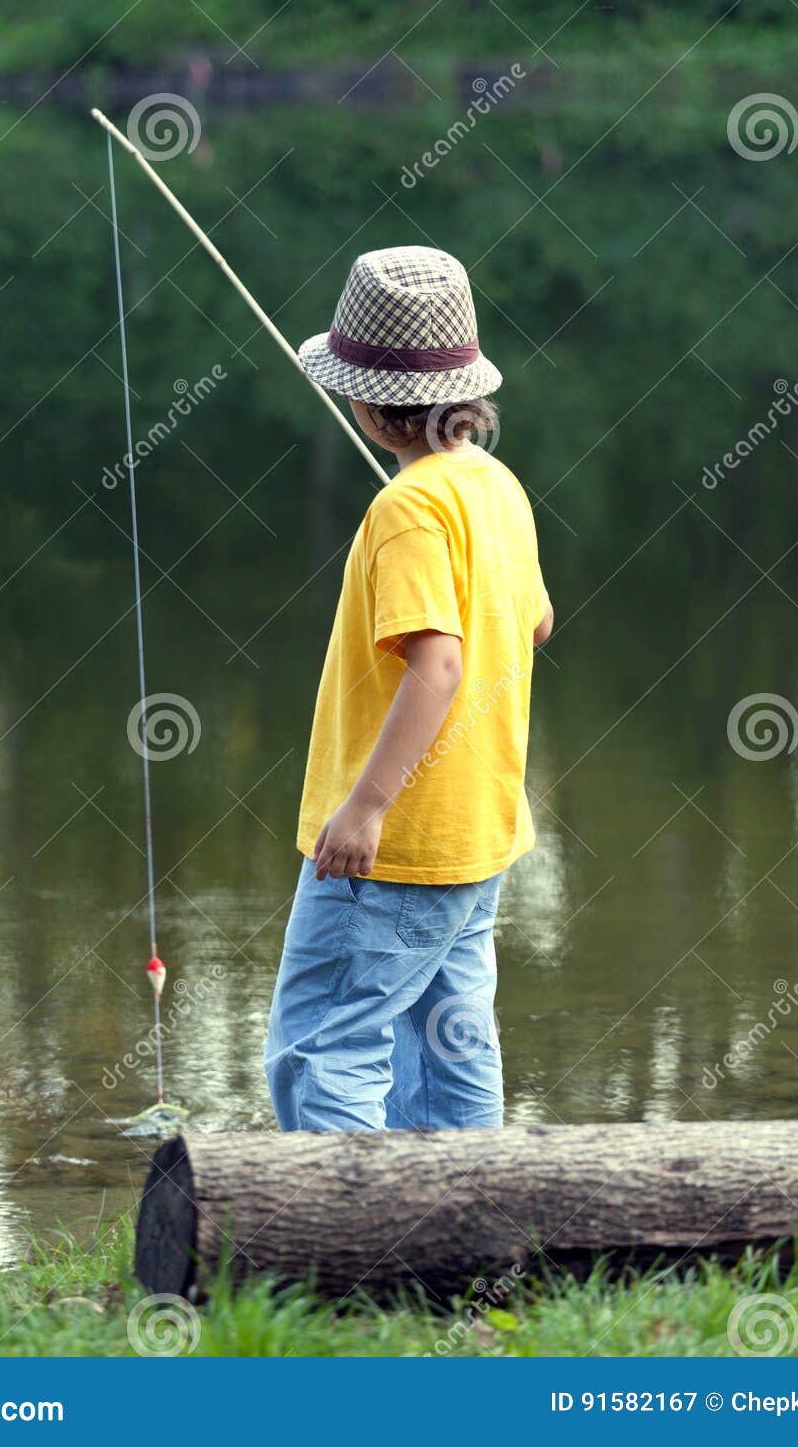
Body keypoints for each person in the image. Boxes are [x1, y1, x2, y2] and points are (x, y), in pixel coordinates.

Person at [264, 246, 552, 1132]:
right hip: (477, 836)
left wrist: (364, 808)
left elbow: (438, 663)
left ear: (365, 402)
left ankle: (337, 1259)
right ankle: (474, 1254)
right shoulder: (494, 484)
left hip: (394, 846)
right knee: (451, 1047)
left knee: (327, 1045)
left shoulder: (406, 509)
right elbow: (534, 624)